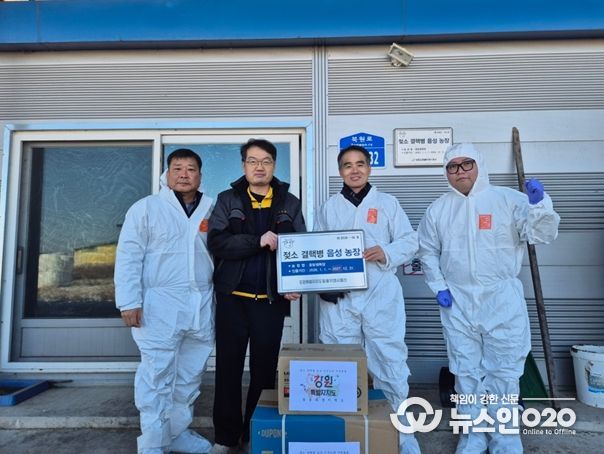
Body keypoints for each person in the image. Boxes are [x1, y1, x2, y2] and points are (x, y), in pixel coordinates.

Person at [417, 143, 560, 454]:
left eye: (466, 164)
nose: (460, 171)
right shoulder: (438, 209)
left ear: (479, 165)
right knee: (465, 372)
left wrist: (540, 204)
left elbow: (540, 234)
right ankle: (472, 436)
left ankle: (505, 438)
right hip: (457, 302)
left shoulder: (508, 200)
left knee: (504, 372)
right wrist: (439, 286)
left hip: (501, 300)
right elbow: (427, 251)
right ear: (446, 173)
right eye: (452, 167)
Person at [314, 145, 421, 454]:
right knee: (340, 359)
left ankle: (403, 433)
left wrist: (386, 251)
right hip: (340, 299)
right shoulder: (329, 207)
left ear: (369, 168)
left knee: (390, 359)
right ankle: (346, 427)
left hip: (380, 293)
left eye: (360, 164)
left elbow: (410, 240)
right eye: (347, 165)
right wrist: (323, 284)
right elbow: (317, 247)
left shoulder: (387, 203)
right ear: (340, 171)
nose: (355, 170)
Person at [208, 139, 306, 454]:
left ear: (274, 165)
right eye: (252, 161)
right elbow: (217, 242)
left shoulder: (289, 202)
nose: (259, 167)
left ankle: (254, 433)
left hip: (269, 301)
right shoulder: (227, 200)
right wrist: (256, 241)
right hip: (232, 299)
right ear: (244, 166)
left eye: (266, 161)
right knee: (228, 368)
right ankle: (225, 437)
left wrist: (295, 282)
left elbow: (299, 248)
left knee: (264, 371)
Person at [115, 148, 215, 454]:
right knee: (157, 375)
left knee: (189, 376)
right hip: (158, 305)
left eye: (191, 169)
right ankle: (152, 444)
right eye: (177, 168)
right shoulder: (146, 208)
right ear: (167, 174)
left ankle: (177, 433)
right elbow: (128, 256)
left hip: (200, 304)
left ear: (200, 176)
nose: (184, 174)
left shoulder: (211, 208)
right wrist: (128, 301)